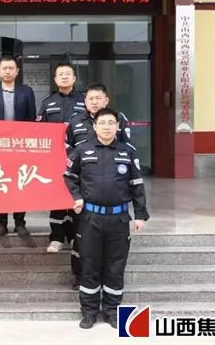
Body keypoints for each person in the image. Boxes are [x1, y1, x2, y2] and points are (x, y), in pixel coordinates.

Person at [63, 107, 148, 330]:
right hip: (90, 218)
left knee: (115, 265)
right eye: (102, 123)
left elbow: (137, 185)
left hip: (118, 219)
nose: (107, 127)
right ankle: (89, 311)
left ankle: (112, 310)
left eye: (111, 123)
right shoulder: (82, 150)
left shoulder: (127, 152)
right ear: (95, 126)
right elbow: (69, 177)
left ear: (118, 126)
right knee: (90, 264)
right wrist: (77, 197)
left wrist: (140, 214)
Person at [64, 82, 135, 291]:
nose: (94, 102)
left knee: (109, 247)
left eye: (98, 98)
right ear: (84, 101)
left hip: (110, 190)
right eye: (90, 99)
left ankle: (107, 281)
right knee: (80, 237)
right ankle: (81, 275)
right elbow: (67, 150)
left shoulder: (117, 119)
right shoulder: (75, 120)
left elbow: (127, 149)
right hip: (83, 191)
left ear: (106, 100)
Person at [0, 55, 36, 237]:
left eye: (11, 68)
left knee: (20, 184)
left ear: (17, 71)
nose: (7, 71)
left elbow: (32, 121)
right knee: (0, 184)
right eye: (4, 68)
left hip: (20, 147)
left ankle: (20, 222)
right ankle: (1, 222)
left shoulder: (26, 91)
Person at [37, 61, 85, 253]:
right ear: (55, 79)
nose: (64, 77)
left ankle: (74, 237)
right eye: (60, 74)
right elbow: (39, 131)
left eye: (68, 74)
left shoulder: (84, 101)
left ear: (74, 78)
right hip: (55, 159)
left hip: (79, 159)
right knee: (56, 198)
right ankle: (56, 238)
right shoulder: (47, 102)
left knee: (76, 197)